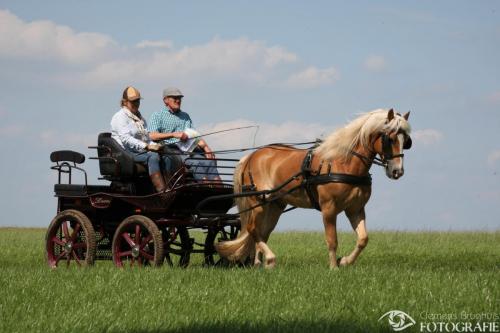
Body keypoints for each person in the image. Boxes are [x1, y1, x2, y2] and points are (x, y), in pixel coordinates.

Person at [148, 87, 220, 182]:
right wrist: (173, 134)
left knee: (208, 162)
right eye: (175, 98)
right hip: (170, 150)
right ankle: (205, 186)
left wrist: (206, 148)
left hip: (188, 150)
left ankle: (219, 187)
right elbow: (152, 135)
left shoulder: (185, 116)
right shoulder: (157, 115)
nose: (178, 101)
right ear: (166, 100)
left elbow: (194, 135)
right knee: (195, 163)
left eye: (179, 98)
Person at [110, 86, 173, 192]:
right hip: (126, 153)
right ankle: (162, 191)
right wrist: (147, 146)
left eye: (138, 101)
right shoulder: (120, 117)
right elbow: (126, 139)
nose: (136, 104)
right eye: (133, 101)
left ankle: (170, 187)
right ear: (125, 102)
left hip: (140, 151)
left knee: (166, 156)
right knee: (153, 157)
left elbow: (146, 138)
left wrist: (155, 145)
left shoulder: (139, 118)